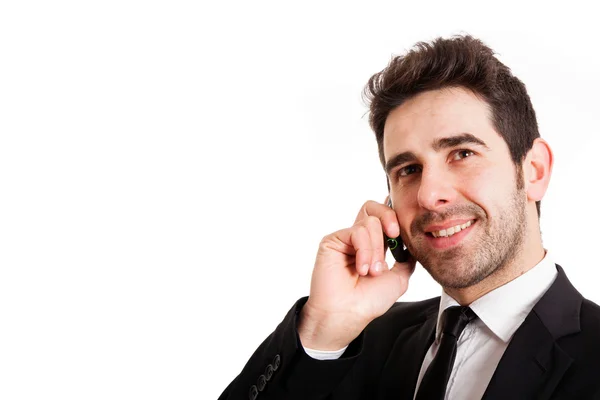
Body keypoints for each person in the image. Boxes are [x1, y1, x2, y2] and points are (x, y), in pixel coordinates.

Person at [218, 34, 600, 400]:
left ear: (533, 170)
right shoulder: (357, 340)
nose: (429, 196)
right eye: (408, 170)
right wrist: (322, 329)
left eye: (462, 153)